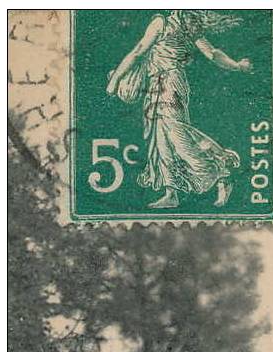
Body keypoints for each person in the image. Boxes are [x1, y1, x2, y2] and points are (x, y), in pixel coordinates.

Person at [106, 11, 252, 210]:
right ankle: (171, 193)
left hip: (170, 84)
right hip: (157, 85)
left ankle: (221, 174)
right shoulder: (174, 23)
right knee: (161, 140)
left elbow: (139, 51)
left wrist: (115, 80)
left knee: (177, 134)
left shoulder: (175, 24)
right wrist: (237, 66)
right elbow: (213, 53)